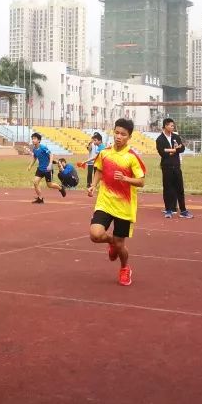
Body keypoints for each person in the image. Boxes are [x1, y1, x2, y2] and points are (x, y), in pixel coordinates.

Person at [87, 118, 146, 286]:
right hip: (105, 202)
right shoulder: (105, 153)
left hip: (124, 207)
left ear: (129, 137)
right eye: (117, 132)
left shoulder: (132, 157)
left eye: (123, 134)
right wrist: (93, 185)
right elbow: (99, 169)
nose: (119, 136)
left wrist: (126, 178)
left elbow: (141, 181)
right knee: (95, 234)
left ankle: (125, 268)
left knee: (121, 246)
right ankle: (111, 241)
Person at [156, 118, 190, 218]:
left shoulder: (175, 136)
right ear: (165, 126)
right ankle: (168, 210)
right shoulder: (160, 139)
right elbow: (162, 152)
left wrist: (174, 150)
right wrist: (174, 150)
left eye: (173, 126)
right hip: (166, 166)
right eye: (171, 125)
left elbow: (182, 148)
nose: (172, 127)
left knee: (180, 188)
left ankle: (183, 211)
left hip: (176, 165)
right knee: (167, 189)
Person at [29, 132, 64, 202]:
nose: (33, 140)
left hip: (47, 169)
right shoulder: (34, 149)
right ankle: (40, 198)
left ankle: (60, 188)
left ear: (39, 140)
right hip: (40, 169)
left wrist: (50, 164)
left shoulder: (43, 148)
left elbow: (51, 155)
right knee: (35, 182)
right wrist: (30, 165)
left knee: (50, 185)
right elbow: (35, 157)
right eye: (32, 139)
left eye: (34, 139)